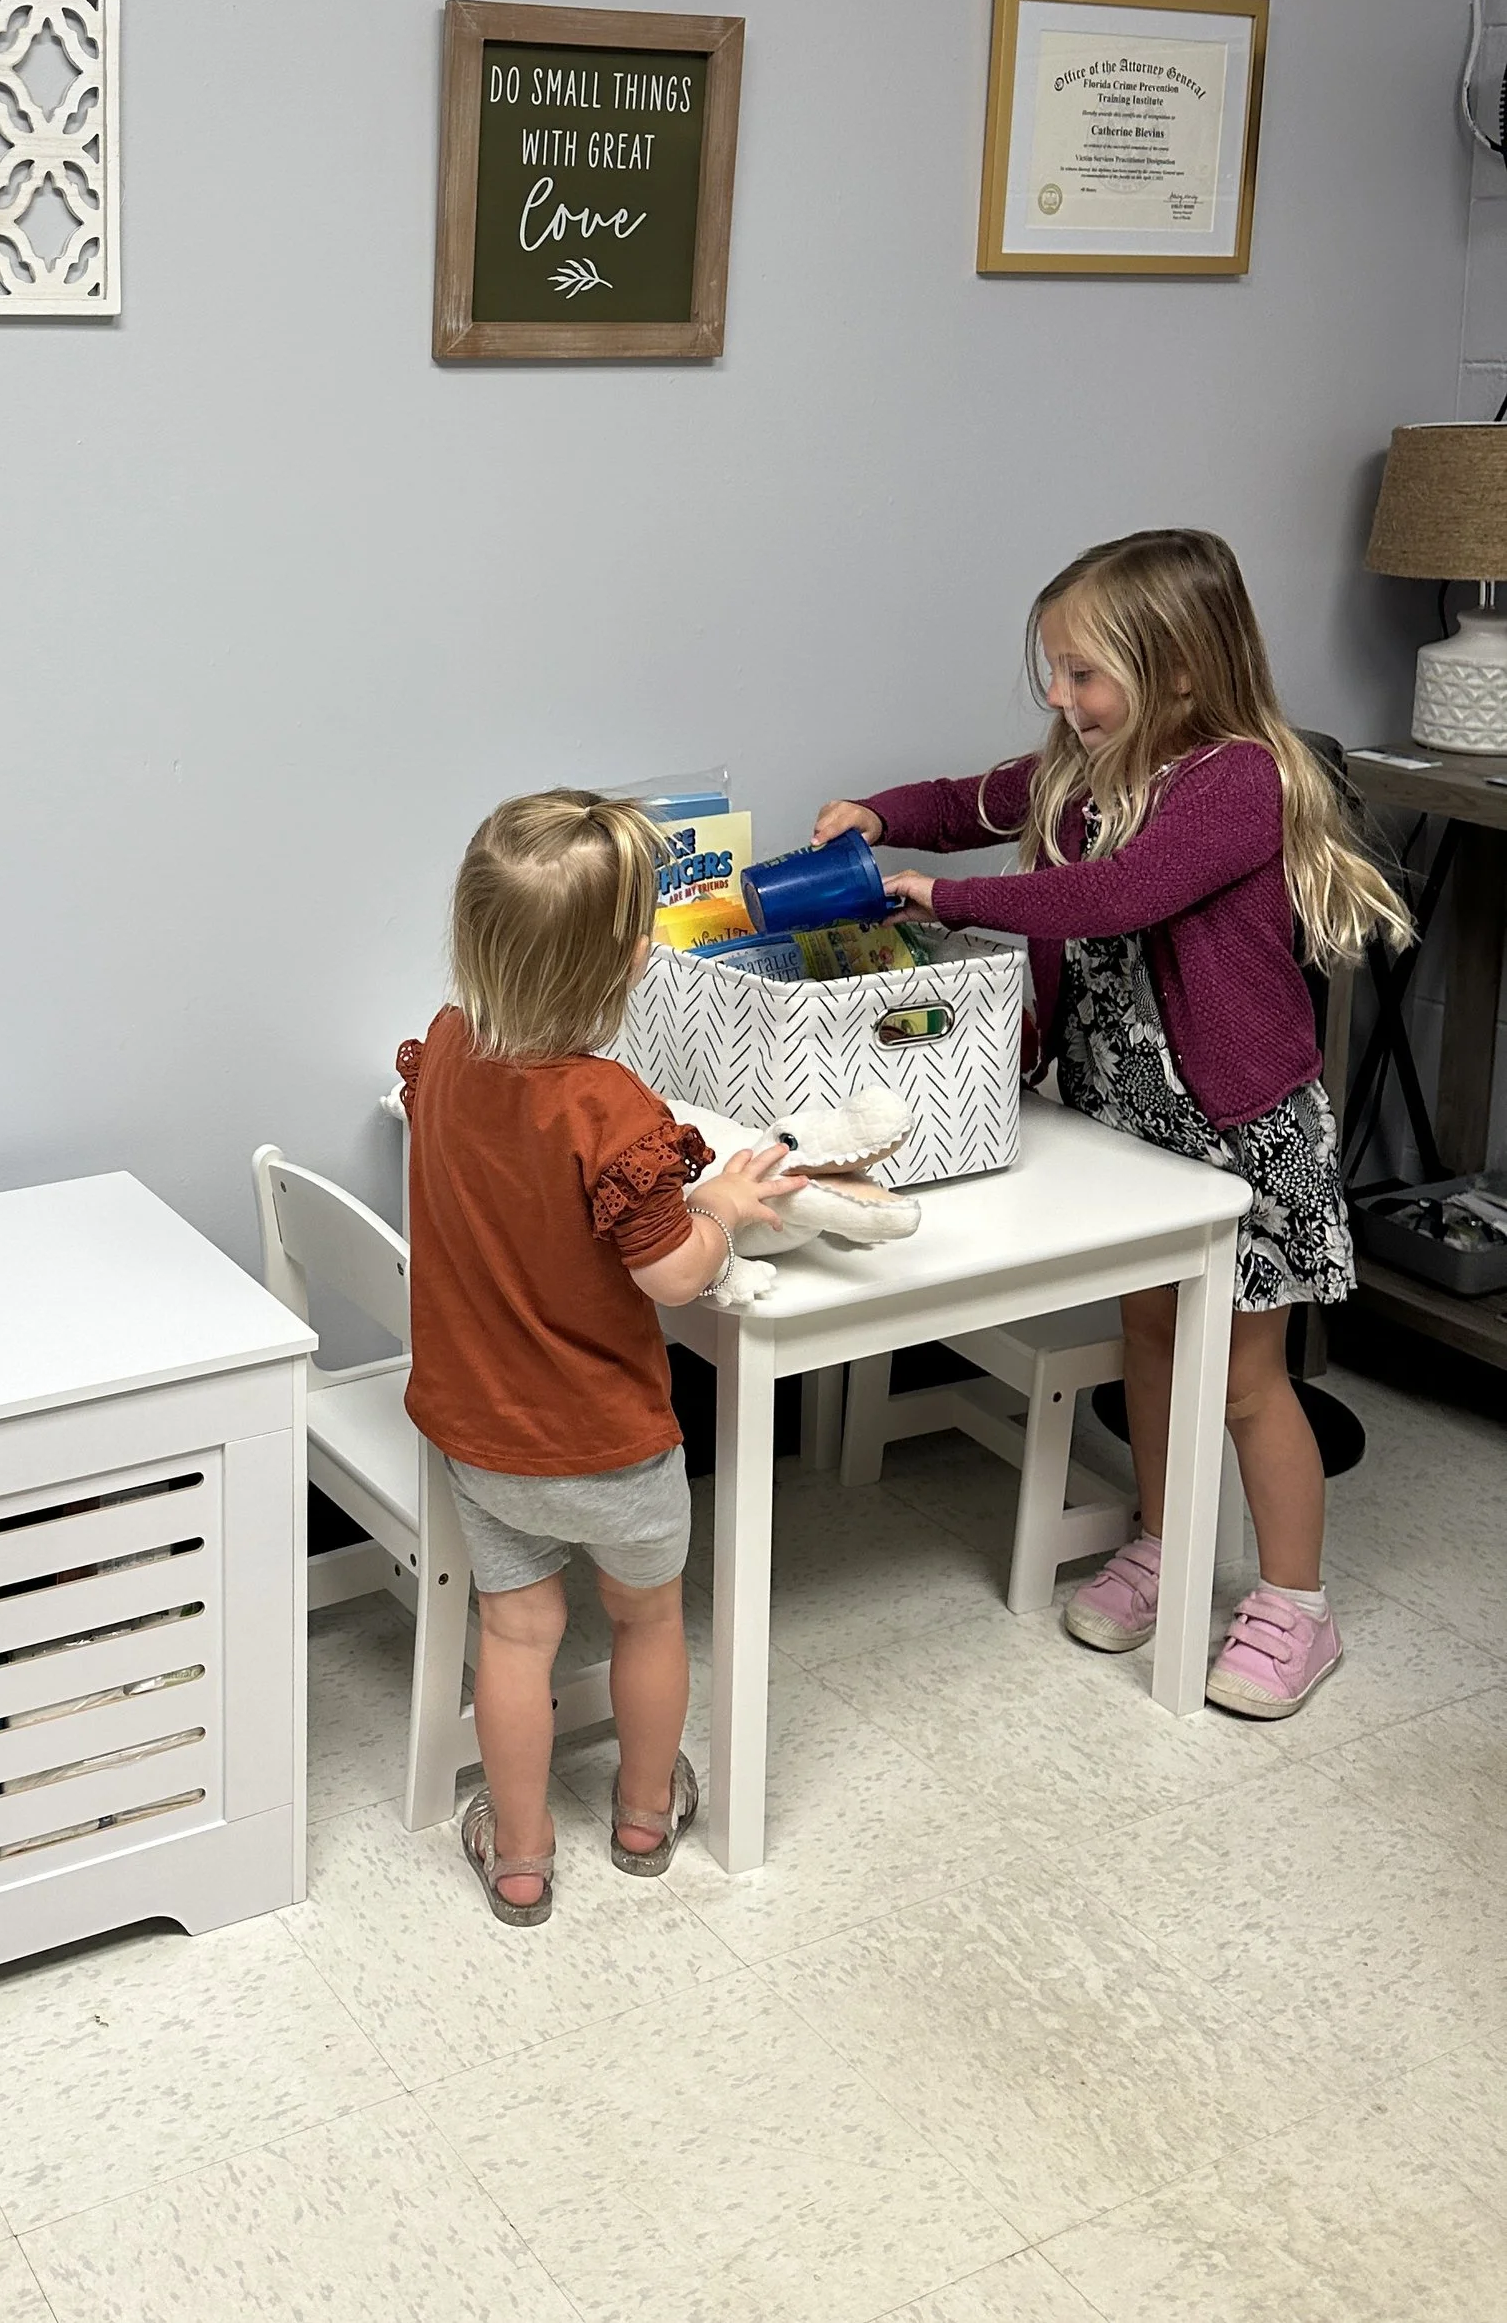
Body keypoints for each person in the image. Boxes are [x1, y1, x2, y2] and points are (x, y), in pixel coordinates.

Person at [814, 527, 1406, 1718]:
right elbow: (960, 796)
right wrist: (875, 818)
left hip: (1238, 1132)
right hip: (1135, 1128)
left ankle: (1295, 1604)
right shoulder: (1078, 768)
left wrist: (941, 891)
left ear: (1179, 671)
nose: (1059, 695)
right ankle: (1163, 1533)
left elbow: (1112, 895)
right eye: (1055, 669)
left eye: (1083, 674)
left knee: (1244, 1381)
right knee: (1147, 1342)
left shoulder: (1240, 778)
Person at [397, 789, 804, 1921]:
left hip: (486, 1437)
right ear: (632, 964)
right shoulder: (612, 1108)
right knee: (647, 1617)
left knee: (517, 1637)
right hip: (612, 1444)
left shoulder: (444, 1048)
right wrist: (720, 1208)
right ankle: (640, 1814)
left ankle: (520, 1855)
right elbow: (672, 1273)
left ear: (473, 934)